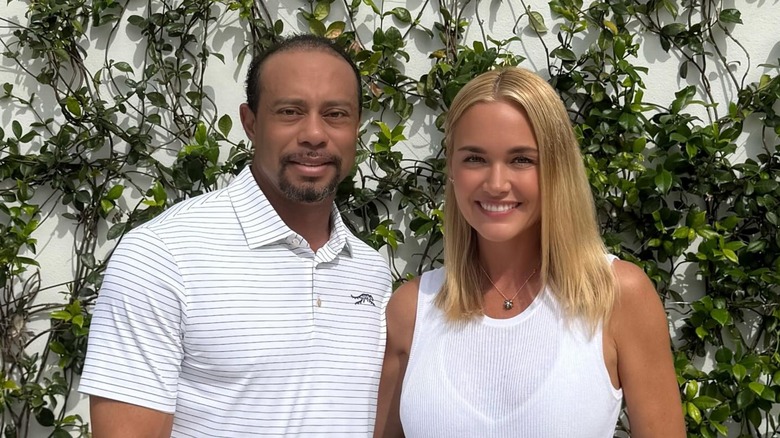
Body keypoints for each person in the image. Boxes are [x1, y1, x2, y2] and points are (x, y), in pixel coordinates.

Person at [79, 34, 392, 437]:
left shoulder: (370, 271)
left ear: (356, 127)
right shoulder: (161, 256)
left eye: (335, 114)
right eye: (290, 112)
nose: (314, 134)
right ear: (250, 123)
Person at [373, 67, 685, 437]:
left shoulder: (616, 295)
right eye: (474, 158)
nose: (496, 184)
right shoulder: (412, 309)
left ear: (557, 169)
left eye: (522, 159)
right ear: (452, 170)